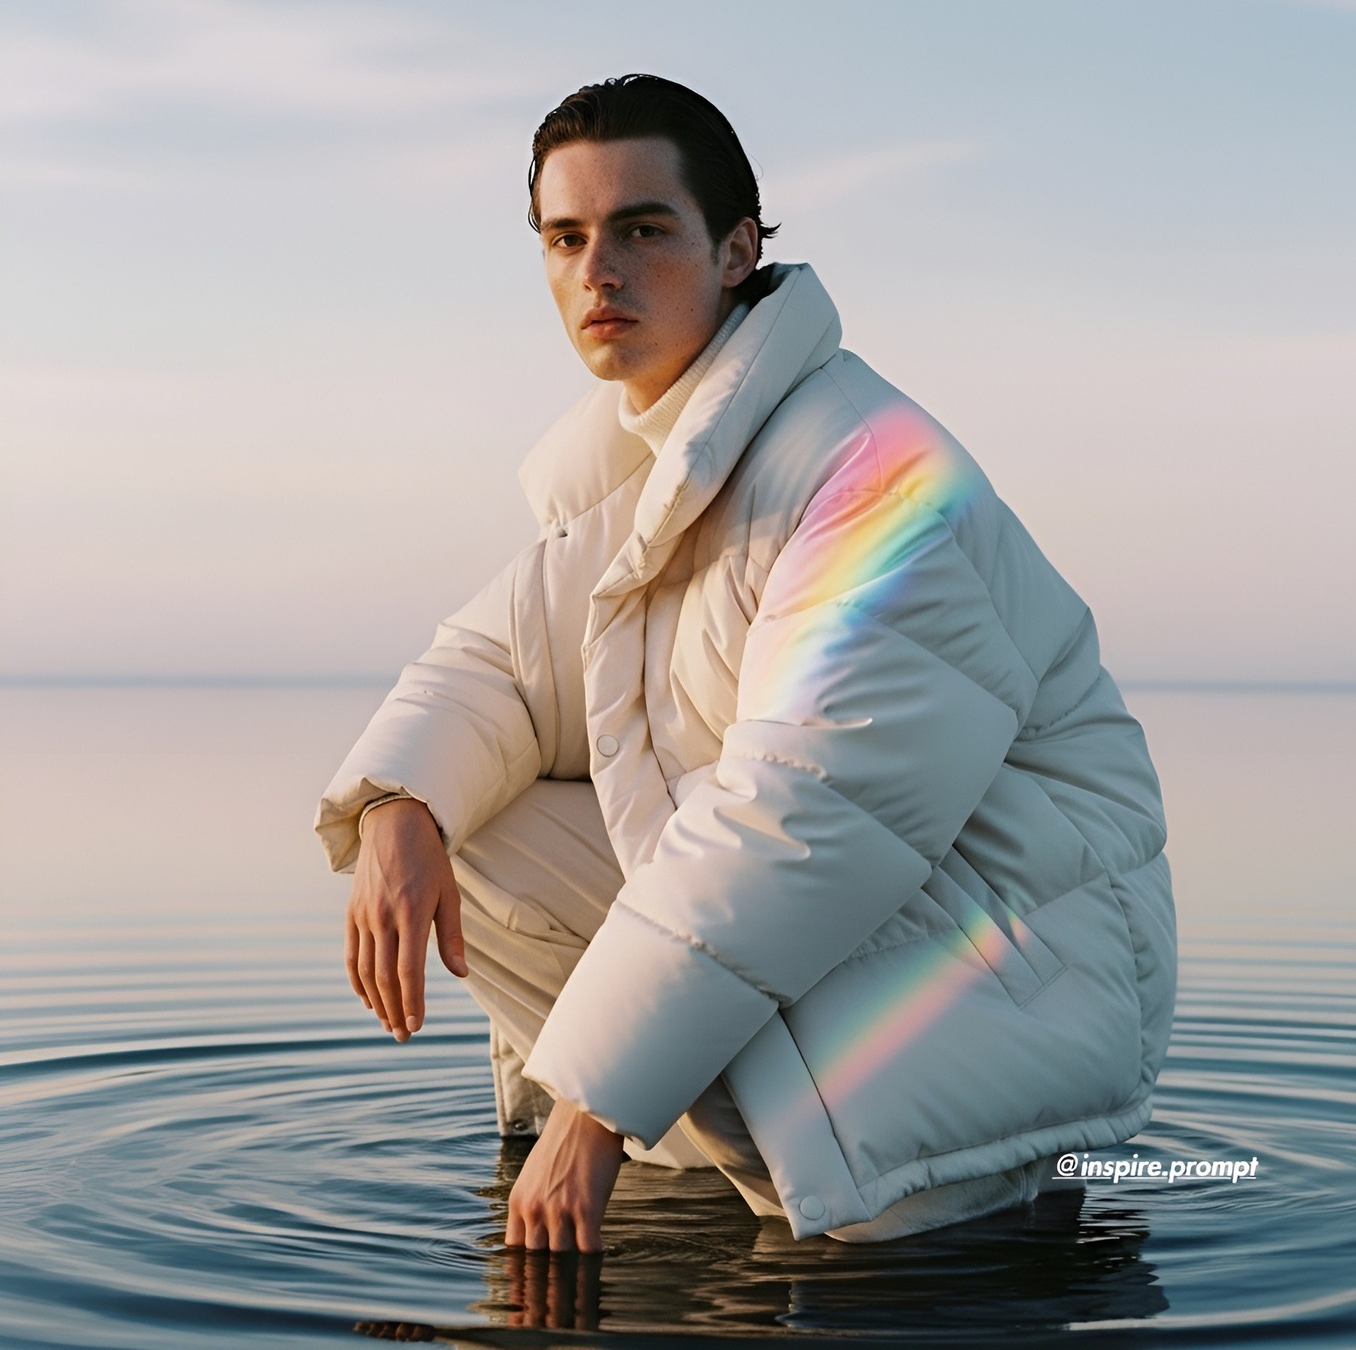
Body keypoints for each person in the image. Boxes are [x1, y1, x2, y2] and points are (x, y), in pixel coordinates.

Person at [315, 74, 1177, 1255]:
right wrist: (400, 805)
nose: (597, 272)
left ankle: (792, 1161)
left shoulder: (871, 473)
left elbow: (801, 820)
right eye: (565, 239)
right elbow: (500, 666)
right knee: (465, 828)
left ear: (736, 250)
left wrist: (595, 1112)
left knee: (729, 876)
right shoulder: (640, 469)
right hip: (893, 938)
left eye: (641, 229)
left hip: (1015, 984)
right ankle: (712, 1140)